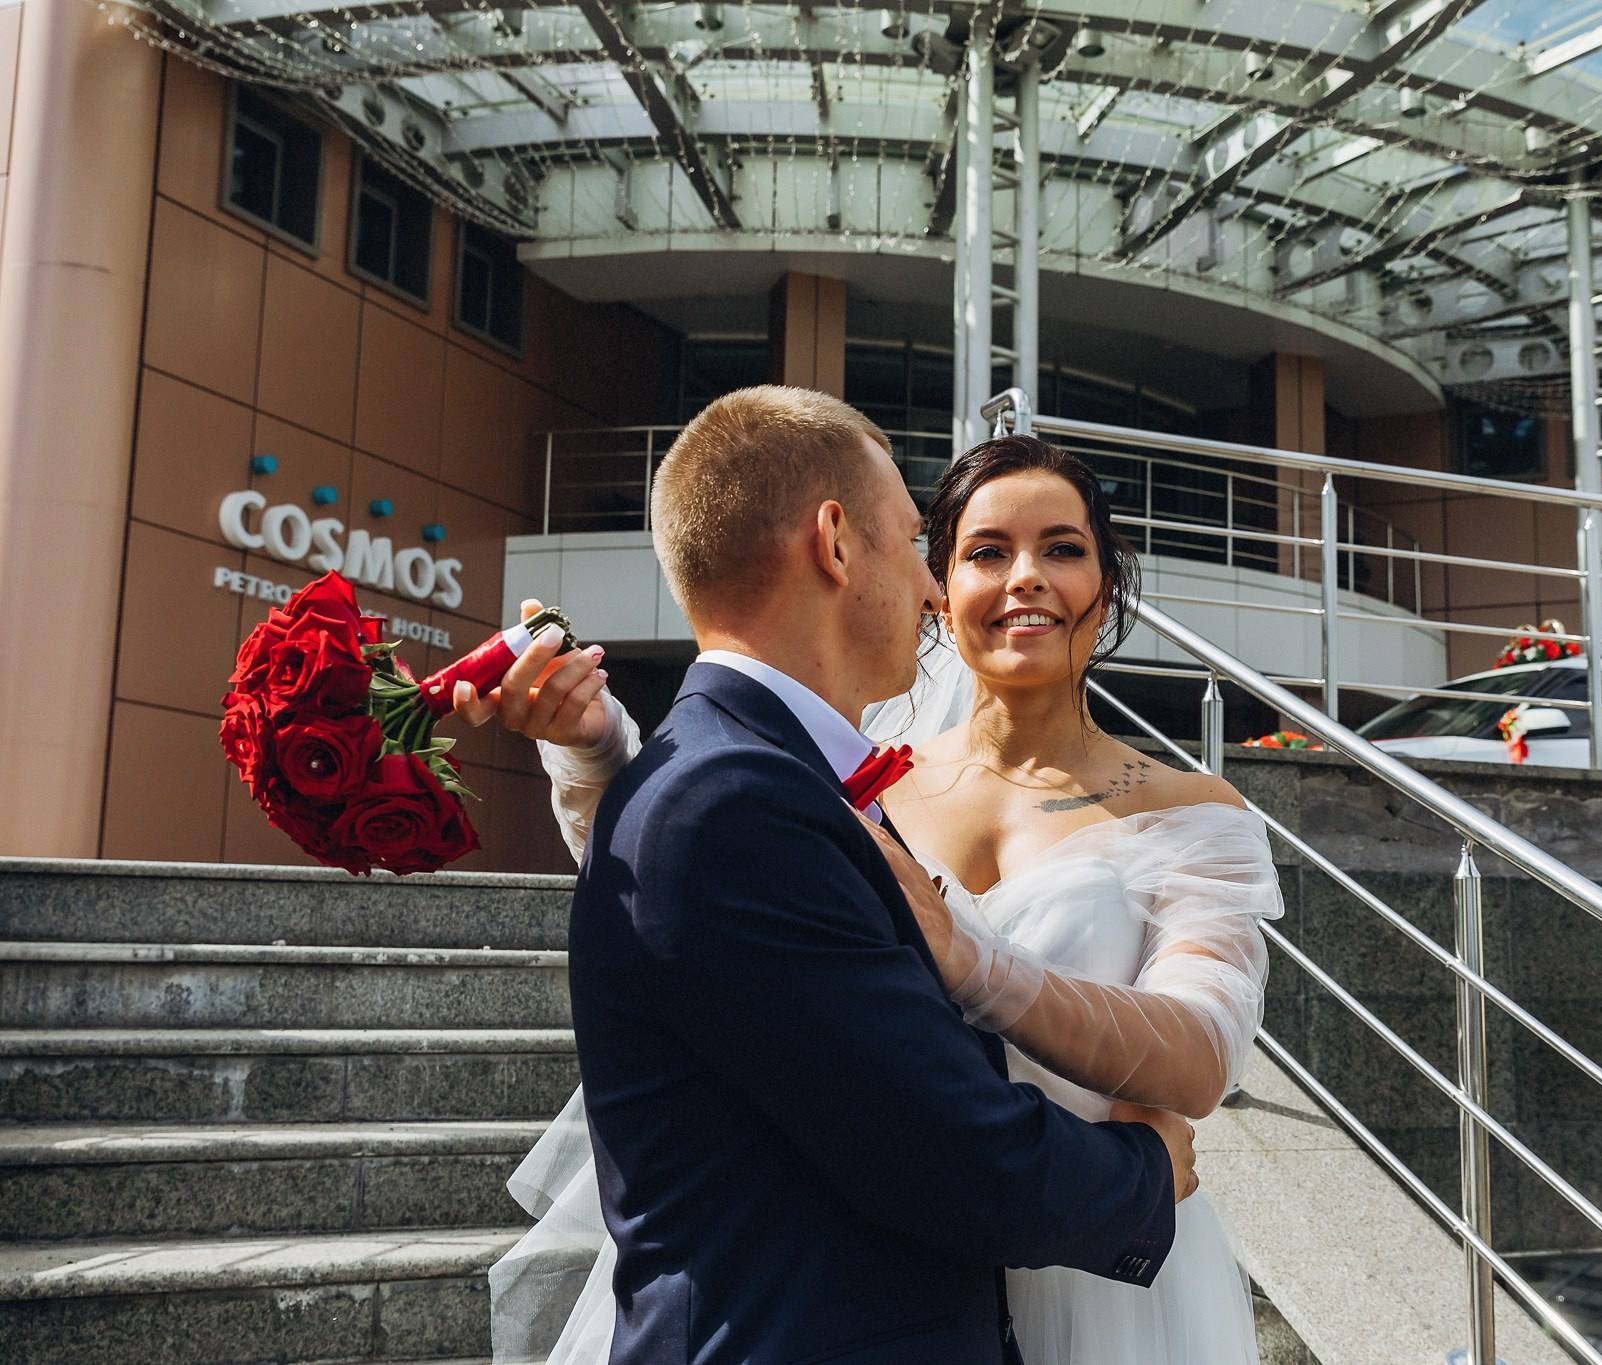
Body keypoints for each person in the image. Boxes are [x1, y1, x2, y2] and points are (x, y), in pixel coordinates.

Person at [471, 420, 1282, 1365]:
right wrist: (603, 757)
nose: (1024, 576)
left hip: (1106, 1278)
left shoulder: (1190, 810)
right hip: (918, 1242)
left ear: (1108, 586)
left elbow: (1204, 1050)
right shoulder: (846, 777)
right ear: (942, 585)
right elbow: (705, 914)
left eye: (1062, 549)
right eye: (984, 552)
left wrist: (978, 964)